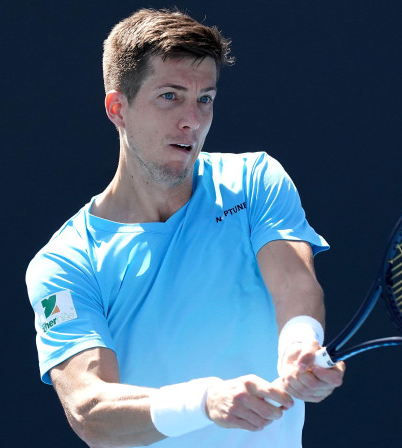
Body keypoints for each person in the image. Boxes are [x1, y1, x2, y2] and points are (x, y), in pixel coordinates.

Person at [25, 8, 345, 448]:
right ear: (119, 109)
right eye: (171, 96)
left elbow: (294, 282)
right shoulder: (62, 265)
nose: (192, 121)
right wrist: (205, 401)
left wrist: (299, 344)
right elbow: (90, 410)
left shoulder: (255, 181)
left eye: (205, 99)